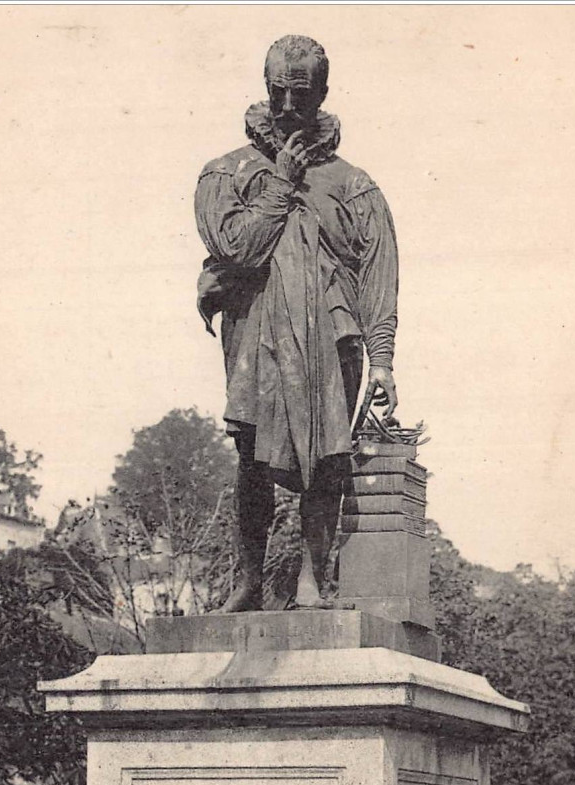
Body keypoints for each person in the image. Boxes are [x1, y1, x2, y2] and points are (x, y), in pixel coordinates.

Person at [195, 35, 399, 610]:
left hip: (334, 335)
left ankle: (313, 578)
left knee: (329, 455)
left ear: (324, 94)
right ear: (264, 90)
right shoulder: (225, 174)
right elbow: (239, 249)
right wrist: (283, 181)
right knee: (251, 456)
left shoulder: (355, 185)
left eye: (300, 96)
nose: (287, 109)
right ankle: (250, 580)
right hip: (256, 337)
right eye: (277, 94)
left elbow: (378, 276)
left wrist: (382, 358)